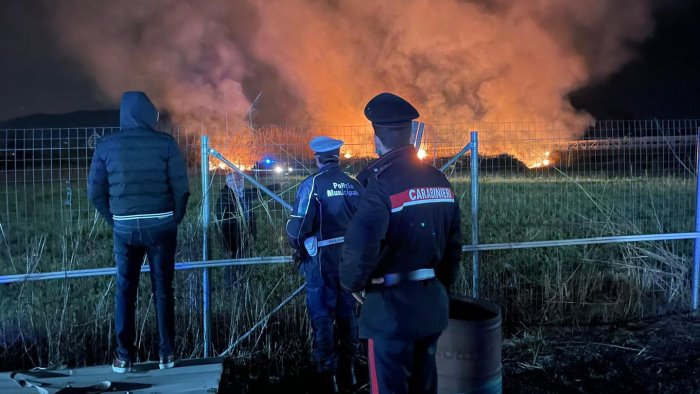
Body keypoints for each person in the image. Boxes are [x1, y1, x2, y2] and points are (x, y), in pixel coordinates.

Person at [339, 92, 462, 394]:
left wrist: (353, 284)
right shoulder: (439, 181)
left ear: (376, 138)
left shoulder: (381, 185)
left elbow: (359, 247)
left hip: (390, 314)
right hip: (431, 307)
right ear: (410, 134)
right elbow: (453, 248)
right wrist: (437, 289)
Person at [88, 91, 190, 373]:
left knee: (125, 289)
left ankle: (123, 357)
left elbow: (95, 192)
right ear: (149, 113)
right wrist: (175, 217)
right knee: (163, 289)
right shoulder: (165, 143)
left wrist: (115, 219)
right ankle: (167, 354)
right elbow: (181, 187)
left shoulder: (106, 146)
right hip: (162, 226)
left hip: (125, 229)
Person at [286, 136, 364, 393]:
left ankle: (326, 373)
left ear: (317, 158)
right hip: (350, 259)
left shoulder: (313, 185)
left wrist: (298, 245)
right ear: (338, 157)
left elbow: (297, 231)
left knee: (322, 316)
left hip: (321, 261)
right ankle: (350, 370)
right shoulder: (354, 185)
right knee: (347, 312)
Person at [216, 170, 257, 285]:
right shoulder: (225, 197)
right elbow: (221, 224)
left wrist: (278, 186)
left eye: (241, 180)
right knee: (232, 261)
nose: (239, 183)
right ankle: (230, 285)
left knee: (243, 259)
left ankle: (242, 283)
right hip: (232, 238)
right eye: (235, 180)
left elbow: (259, 191)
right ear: (228, 183)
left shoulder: (244, 193)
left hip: (246, 235)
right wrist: (226, 243)